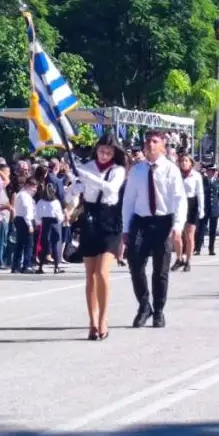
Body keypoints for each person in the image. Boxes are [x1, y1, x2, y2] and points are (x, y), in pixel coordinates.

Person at [121, 130, 186, 329]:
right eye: (148, 141)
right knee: (135, 266)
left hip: (163, 222)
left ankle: (158, 310)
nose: (150, 144)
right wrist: (125, 228)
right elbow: (129, 200)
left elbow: (179, 199)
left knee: (160, 271)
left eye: (155, 141)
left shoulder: (171, 169)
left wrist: (177, 226)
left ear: (163, 146)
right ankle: (144, 306)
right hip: (140, 222)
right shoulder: (137, 171)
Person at [73, 133, 127, 340]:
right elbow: (74, 195)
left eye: (109, 152)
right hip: (90, 219)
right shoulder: (86, 168)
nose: (104, 155)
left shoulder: (118, 170)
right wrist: (75, 185)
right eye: (101, 150)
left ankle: (104, 319)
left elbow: (112, 189)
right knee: (90, 275)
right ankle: (92, 321)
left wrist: (88, 178)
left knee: (103, 272)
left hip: (110, 221)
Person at [173, 154, 203, 273]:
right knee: (176, 234)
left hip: (192, 204)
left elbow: (200, 193)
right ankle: (179, 258)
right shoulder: (176, 175)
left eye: (186, 161)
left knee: (189, 235)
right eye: (182, 161)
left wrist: (201, 208)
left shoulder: (196, 176)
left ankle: (188, 261)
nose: (183, 163)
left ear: (191, 163)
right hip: (179, 204)